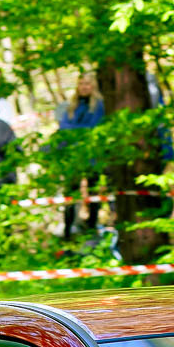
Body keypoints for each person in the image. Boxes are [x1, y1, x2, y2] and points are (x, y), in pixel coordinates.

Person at [52, 75, 104, 238]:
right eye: (81, 83)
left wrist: (74, 132)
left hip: (92, 156)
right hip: (72, 157)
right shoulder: (72, 106)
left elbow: (94, 128)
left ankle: (92, 228)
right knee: (70, 193)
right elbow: (63, 127)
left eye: (87, 83)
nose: (84, 87)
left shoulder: (99, 106)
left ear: (93, 85)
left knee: (93, 192)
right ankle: (68, 230)